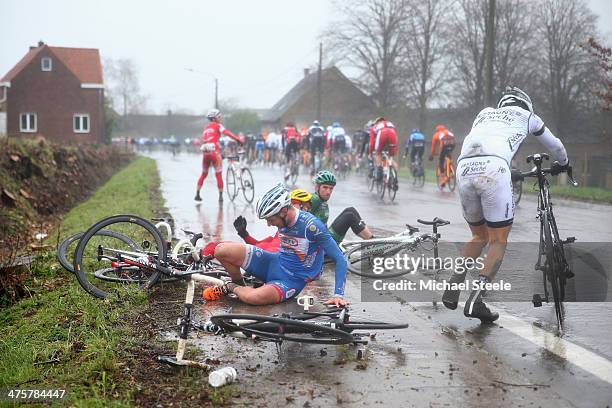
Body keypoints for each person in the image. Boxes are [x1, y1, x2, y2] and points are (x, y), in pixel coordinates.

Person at [442, 86, 570, 323]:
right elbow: (556, 147)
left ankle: (454, 282)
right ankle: (476, 299)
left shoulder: (484, 113)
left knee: (478, 236)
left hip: (464, 167)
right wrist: (564, 163)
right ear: (526, 104)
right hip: (494, 166)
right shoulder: (528, 116)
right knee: (498, 240)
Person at [202, 184, 349, 306]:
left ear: (284, 211)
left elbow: (340, 258)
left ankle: (230, 287)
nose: (268, 224)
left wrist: (338, 295)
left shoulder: (312, 226)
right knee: (221, 250)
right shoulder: (283, 218)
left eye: (270, 219)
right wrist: (244, 235)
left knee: (253, 298)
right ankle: (240, 284)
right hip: (273, 262)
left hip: (290, 281)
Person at [228, 189, 313, 253]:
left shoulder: (309, 227)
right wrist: (244, 234)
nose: (292, 206)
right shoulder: (282, 227)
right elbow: (259, 244)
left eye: (295, 202)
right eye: (291, 203)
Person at [310, 170, 374, 243]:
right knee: (349, 215)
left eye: (331, 188)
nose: (328, 192)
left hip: (325, 237)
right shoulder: (314, 199)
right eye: (325, 187)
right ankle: (373, 244)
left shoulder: (323, 201)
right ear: (317, 187)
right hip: (321, 244)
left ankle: (372, 240)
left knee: (350, 210)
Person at [195, 109, 243, 202]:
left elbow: (204, 139)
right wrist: (238, 139)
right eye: (218, 116)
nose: (220, 118)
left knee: (204, 174)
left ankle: (197, 194)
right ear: (214, 118)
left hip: (205, 152)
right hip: (215, 152)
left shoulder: (206, 128)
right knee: (218, 174)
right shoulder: (218, 126)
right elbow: (227, 133)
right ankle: (220, 197)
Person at [368, 117, 398, 181]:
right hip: (393, 134)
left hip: (382, 134)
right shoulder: (389, 124)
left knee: (377, 153)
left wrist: (370, 153)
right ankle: (395, 175)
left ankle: (379, 172)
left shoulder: (374, 127)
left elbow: (372, 143)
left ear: (376, 122)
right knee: (390, 157)